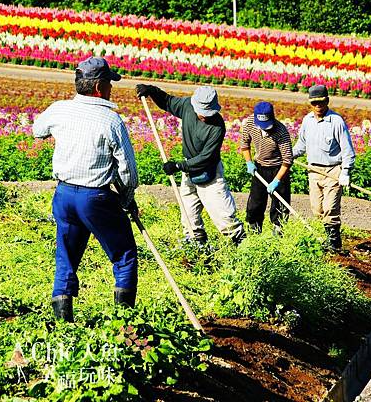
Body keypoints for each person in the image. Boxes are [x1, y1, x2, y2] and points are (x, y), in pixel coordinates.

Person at [33, 57, 139, 322]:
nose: (112, 89)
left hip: (64, 195)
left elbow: (37, 130)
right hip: (96, 198)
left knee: (66, 255)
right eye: (110, 84)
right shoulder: (111, 121)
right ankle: (124, 325)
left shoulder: (60, 109)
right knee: (124, 255)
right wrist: (127, 199)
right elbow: (127, 171)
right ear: (99, 87)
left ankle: (63, 324)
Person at [136, 84, 245, 246]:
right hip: (189, 170)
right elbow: (167, 101)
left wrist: (178, 166)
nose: (204, 116)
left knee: (225, 218)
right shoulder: (188, 106)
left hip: (210, 174)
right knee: (189, 216)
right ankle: (196, 246)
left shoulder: (217, 127)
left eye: (208, 113)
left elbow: (206, 157)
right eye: (202, 112)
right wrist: (152, 91)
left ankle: (243, 247)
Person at [293, 84, 355, 251]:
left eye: (321, 102)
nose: (318, 106)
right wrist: (288, 155)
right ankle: (325, 241)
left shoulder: (336, 121)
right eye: (314, 103)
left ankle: (335, 245)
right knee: (317, 209)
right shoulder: (307, 121)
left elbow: (347, 148)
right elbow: (301, 145)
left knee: (330, 208)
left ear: (327, 101)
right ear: (310, 104)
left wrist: (346, 171)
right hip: (314, 171)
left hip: (333, 171)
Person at [240, 101, 293, 235]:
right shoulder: (250, 123)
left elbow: (287, 160)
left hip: (278, 168)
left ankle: (278, 232)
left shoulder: (281, 131)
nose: (265, 129)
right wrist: (249, 162)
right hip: (259, 168)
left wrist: (277, 180)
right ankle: (254, 231)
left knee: (280, 205)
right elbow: (245, 144)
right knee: (255, 203)